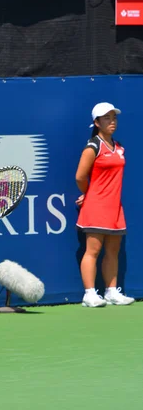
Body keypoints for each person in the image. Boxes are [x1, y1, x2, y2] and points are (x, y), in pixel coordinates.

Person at [75, 102, 134, 308]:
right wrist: (88, 194)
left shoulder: (119, 147)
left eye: (114, 117)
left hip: (115, 208)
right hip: (96, 207)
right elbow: (80, 176)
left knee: (113, 251)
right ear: (97, 123)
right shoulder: (93, 147)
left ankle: (111, 292)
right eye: (107, 118)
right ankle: (89, 294)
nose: (112, 121)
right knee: (93, 250)